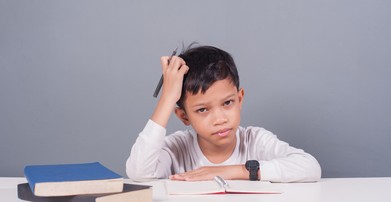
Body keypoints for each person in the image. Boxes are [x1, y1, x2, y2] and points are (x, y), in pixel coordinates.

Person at [126, 45, 321, 182]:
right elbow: (139, 172)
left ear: (240, 99)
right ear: (184, 116)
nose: (220, 119)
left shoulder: (255, 140)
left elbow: (310, 167)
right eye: (202, 110)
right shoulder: (178, 148)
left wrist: (234, 171)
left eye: (228, 103)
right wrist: (167, 99)